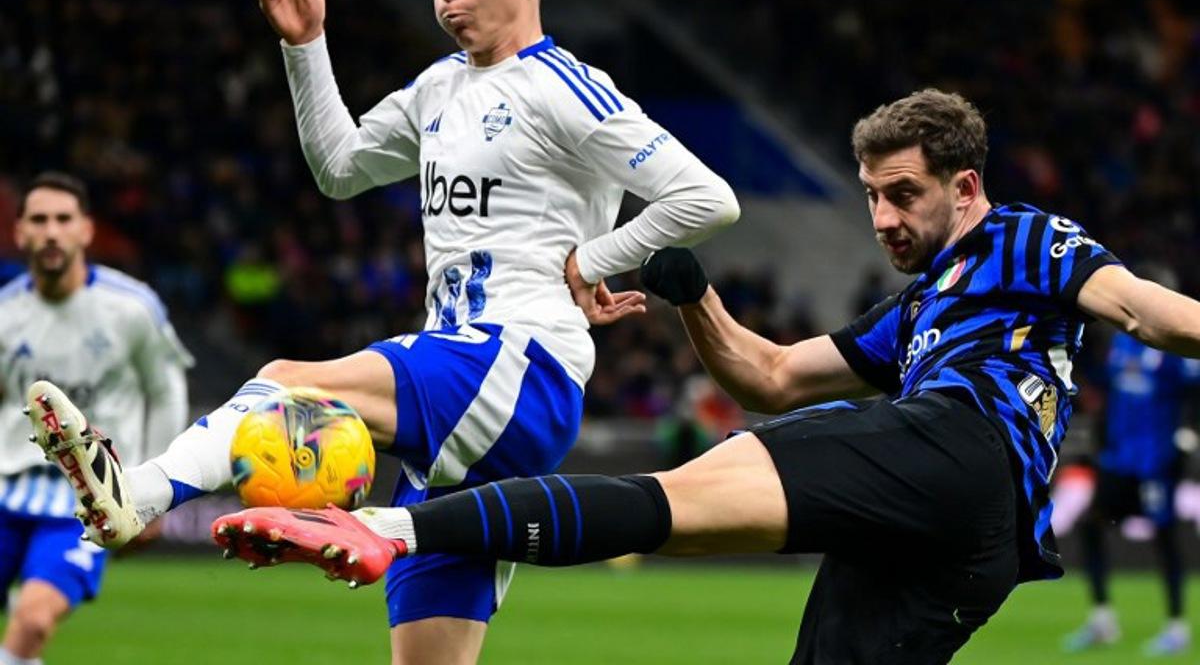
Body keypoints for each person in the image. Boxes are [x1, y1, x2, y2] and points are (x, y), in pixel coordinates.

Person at [216, 88, 1200, 664]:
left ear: (967, 188)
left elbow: (1149, 309)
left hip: (955, 451)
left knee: (670, 498)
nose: (884, 218)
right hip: (968, 546)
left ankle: (389, 526)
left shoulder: (1029, 239)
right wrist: (694, 298)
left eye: (904, 195)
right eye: (871, 198)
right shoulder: (914, 311)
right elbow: (770, 374)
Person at [27, 0, 739, 665]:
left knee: (287, 381)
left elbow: (705, 197)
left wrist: (589, 261)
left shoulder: (563, 87)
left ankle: (141, 493)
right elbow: (340, 168)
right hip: (461, 390)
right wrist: (306, 46)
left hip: (515, 362)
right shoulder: (440, 87)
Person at [2, 172, 190, 665]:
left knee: (34, 620)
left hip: (84, 498)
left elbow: (165, 390)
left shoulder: (132, 307)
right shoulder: (4, 312)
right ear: (19, 231)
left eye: (64, 219)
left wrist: (152, 487)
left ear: (86, 230)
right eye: (38, 220)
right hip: (5, 487)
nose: (51, 232)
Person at [1062, 319, 1200, 656]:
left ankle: (1176, 627)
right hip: (1118, 460)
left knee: (1165, 538)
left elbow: (1194, 392)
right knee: (1089, 525)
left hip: (1156, 459)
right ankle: (1102, 620)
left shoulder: (1172, 353)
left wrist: (1189, 432)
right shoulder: (1121, 347)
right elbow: (1104, 388)